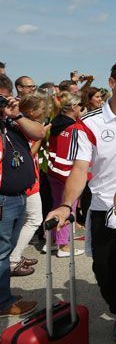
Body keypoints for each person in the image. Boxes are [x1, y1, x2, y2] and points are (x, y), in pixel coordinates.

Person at [44, 57, 116, 343]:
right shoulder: (89, 125)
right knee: (105, 275)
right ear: (112, 83)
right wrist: (65, 205)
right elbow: (80, 169)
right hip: (103, 210)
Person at [0, 74, 46, 317]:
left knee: (4, 251)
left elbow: (38, 133)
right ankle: (3, 303)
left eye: (3, 98)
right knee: (1, 252)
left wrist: (16, 114)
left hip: (17, 195)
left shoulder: (12, 119)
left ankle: (3, 296)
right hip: (4, 199)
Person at [9, 93, 48, 276]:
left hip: (31, 178)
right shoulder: (22, 126)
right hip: (28, 182)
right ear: (31, 111)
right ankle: (13, 259)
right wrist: (41, 136)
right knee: (34, 219)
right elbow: (28, 154)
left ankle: (15, 255)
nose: (44, 112)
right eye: (41, 109)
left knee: (25, 221)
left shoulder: (23, 123)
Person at [46, 92, 86, 258]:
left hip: (52, 171)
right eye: (80, 107)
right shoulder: (71, 128)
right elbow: (66, 154)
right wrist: (70, 179)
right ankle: (64, 246)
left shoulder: (55, 122)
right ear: (74, 107)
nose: (82, 110)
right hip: (65, 174)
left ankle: (54, 241)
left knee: (56, 206)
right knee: (68, 208)